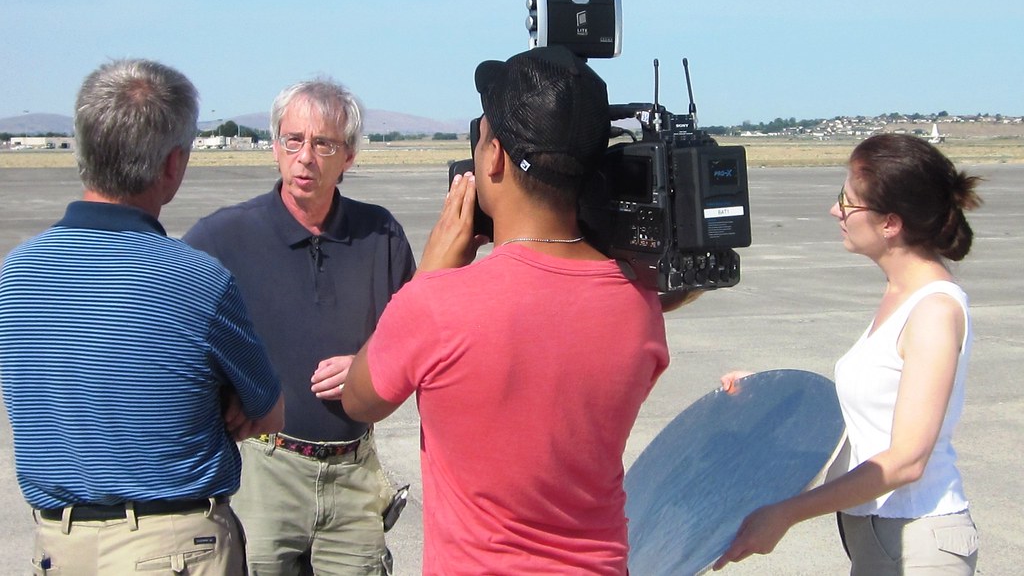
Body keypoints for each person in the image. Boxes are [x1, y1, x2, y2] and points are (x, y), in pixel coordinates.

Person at [342, 45, 670, 575]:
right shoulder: (640, 304)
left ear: (493, 157)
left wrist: (429, 275)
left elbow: (359, 399)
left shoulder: (438, 304)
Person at [0, 58, 285, 575]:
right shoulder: (197, 279)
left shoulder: (16, 274)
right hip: (172, 545)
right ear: (172, 165)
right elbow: (268, 411)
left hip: (58, 547)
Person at [713, 133, 982, 575]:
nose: (835, 210)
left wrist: (786, 512)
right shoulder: (901, 295)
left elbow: (906, 460)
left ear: (890, 223)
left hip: (918, 541)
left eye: (848, 201)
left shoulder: (933, 310)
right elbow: (872, 412)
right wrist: (771, 393)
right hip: (881, 533)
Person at [184, 76, 416, 575]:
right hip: (265, 473)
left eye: (323, 143)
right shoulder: (221, 237)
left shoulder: (382, 235)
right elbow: (172, 341)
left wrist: (365, 364)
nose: (305, 157)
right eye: (294, 140)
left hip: (354, 473)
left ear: (349, 157)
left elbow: (413, 333)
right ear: (276, 147)